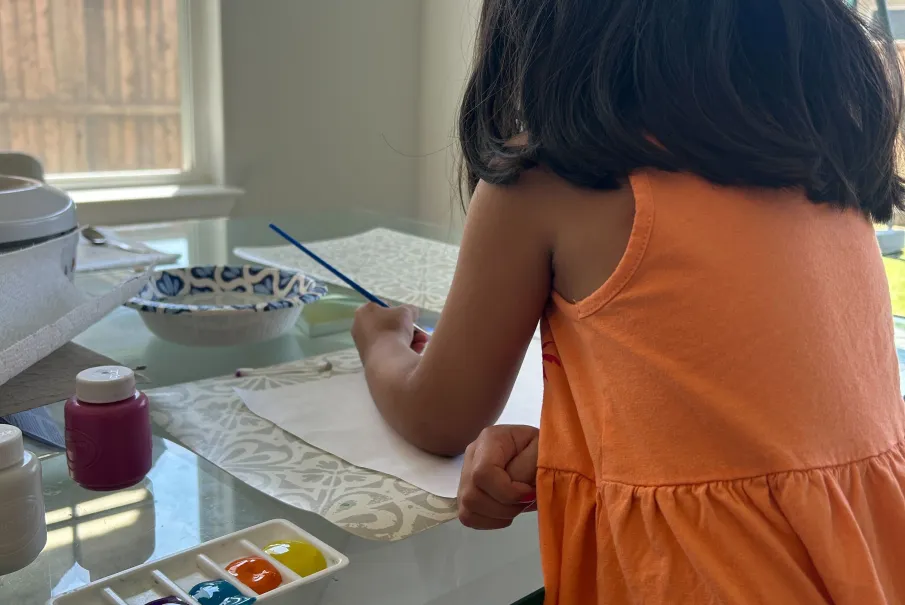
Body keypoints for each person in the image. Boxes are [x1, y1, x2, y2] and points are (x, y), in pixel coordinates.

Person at [351, 0, 905, 602]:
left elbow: (438, 417)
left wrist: (380, 341)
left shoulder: (552, 178)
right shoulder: (821, 175)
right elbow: (765, 429)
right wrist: (574, 442)